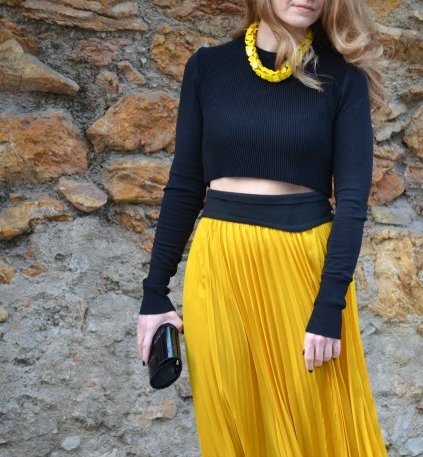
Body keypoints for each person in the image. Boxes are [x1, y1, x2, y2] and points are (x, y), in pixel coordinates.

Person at [136, 0, 388, 454]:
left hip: (303, 271)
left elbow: (352, 204)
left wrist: (329, 306)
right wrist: (155, 292)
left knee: (315, 429)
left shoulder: (342, 78)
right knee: (234, 426)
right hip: (220, 266)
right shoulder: (207, 68)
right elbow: (185, 185)